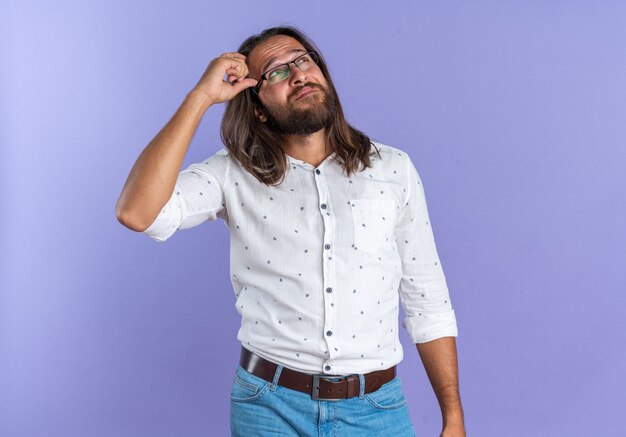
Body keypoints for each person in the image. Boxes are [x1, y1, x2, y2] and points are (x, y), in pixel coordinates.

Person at [115, 25, 466, 437]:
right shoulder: (232, 174)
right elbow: (137, 212)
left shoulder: (393, 169)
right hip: (268, 406)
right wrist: (201, 98)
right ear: (258, 108)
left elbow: (428, 302)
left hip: (377, 409)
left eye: (303, 60)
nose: (298, 74)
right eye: (276, 73)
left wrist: (453, 416)